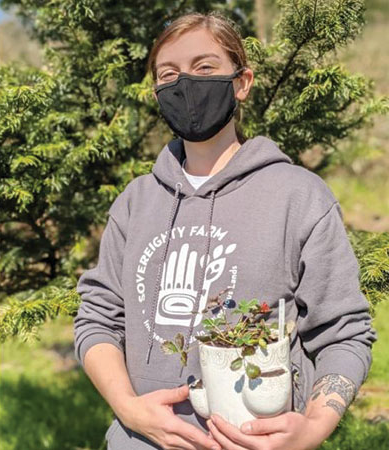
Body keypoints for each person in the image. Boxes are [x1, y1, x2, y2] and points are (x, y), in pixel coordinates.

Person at [73, 12, 376, 450]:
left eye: (205, 67)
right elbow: (98, 318)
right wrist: (127, 407)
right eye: (169, 73)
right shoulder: (136, 202)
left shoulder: (299, 197)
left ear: (242, 82)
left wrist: (311, 427)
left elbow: (345, 333)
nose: (186, 83)